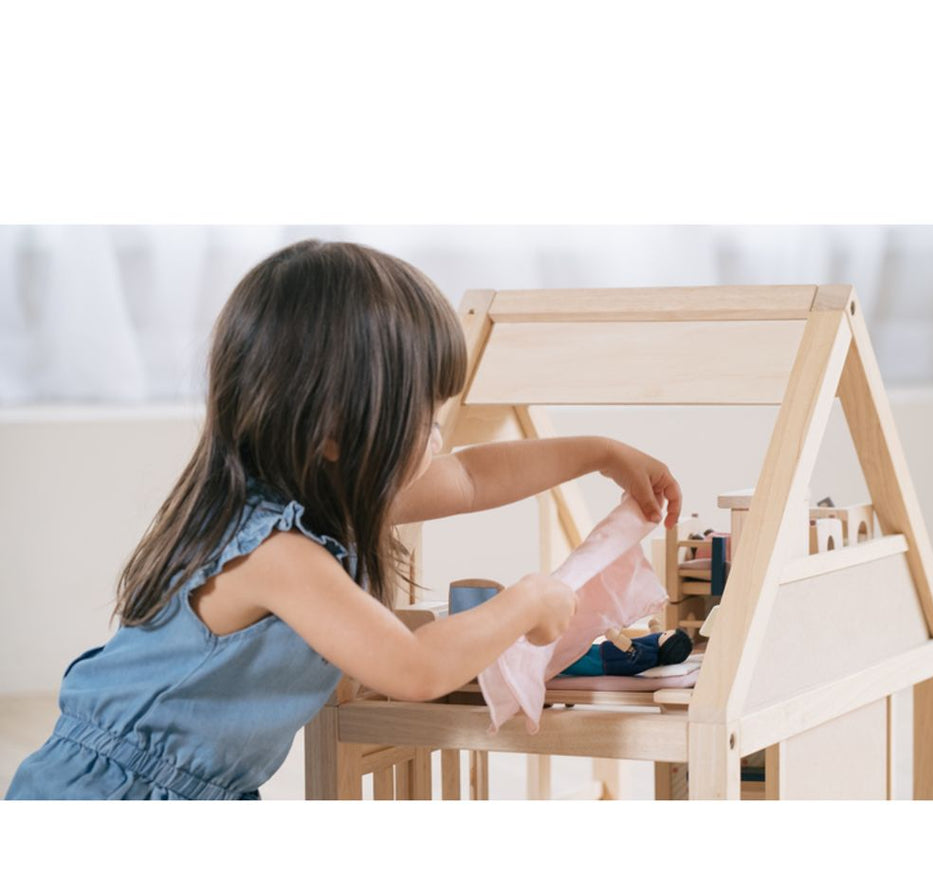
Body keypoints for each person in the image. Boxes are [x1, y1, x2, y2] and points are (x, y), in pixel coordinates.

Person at [5, 239, 681, 800]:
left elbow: (475, 476)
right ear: (335, 432)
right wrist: (530, 600)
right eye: (423, 418)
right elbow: (413, 668)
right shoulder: (276, 553)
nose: (438, 438)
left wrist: (599, 453)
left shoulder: (322, 491)